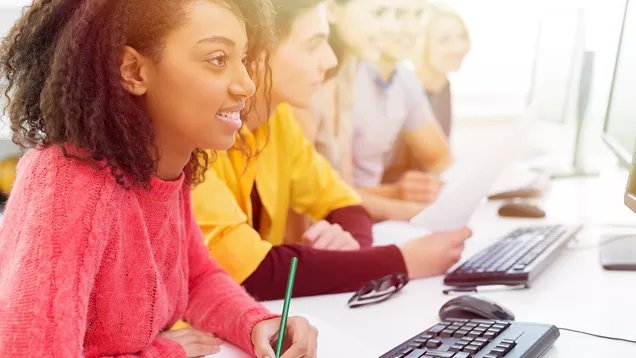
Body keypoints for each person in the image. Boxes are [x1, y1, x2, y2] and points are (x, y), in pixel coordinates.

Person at [0, 0, 317, 357]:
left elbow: (197, 279)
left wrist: (256, 322)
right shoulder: (65, 185)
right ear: (134, 71)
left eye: (242, 60)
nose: (246, 86)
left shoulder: (165, 171)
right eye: (217, 59)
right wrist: (159, 352)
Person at [192, 0, 473, 301]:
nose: (329, 61)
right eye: (313, 45)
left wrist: (349, 245)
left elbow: (346, 202)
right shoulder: (195, 139)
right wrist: (403, 261)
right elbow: (255, 272)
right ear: (258, 54)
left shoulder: (278, 123)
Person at [413, 2, 471, 138]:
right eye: (444, 40)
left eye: (462, 36)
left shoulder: (443, 84)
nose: (458, 47)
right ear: (421, 44)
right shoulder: (407, 90)